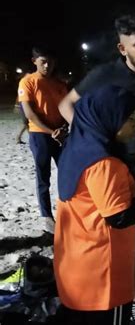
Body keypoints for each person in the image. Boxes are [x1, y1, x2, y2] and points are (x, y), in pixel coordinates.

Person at [58, 13, 135, 324]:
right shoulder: (103, 76)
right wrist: (93, 139)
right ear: (121, 47)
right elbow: (66, 106)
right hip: (121, 168)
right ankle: (130, 299)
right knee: (130, 240)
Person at [17, 47, 68, 232]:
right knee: (43, 176)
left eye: (50, 62)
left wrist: (62, 128)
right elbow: (30, 113)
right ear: (34, 61)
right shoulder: (27, 82)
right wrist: (50, 130)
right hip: (40, 135)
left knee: (68, 173)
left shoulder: (60, 84)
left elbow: (66, 109)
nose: (47, 65)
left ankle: (68, 212)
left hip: (61, 135)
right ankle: (47, 216)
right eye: (43, 61)